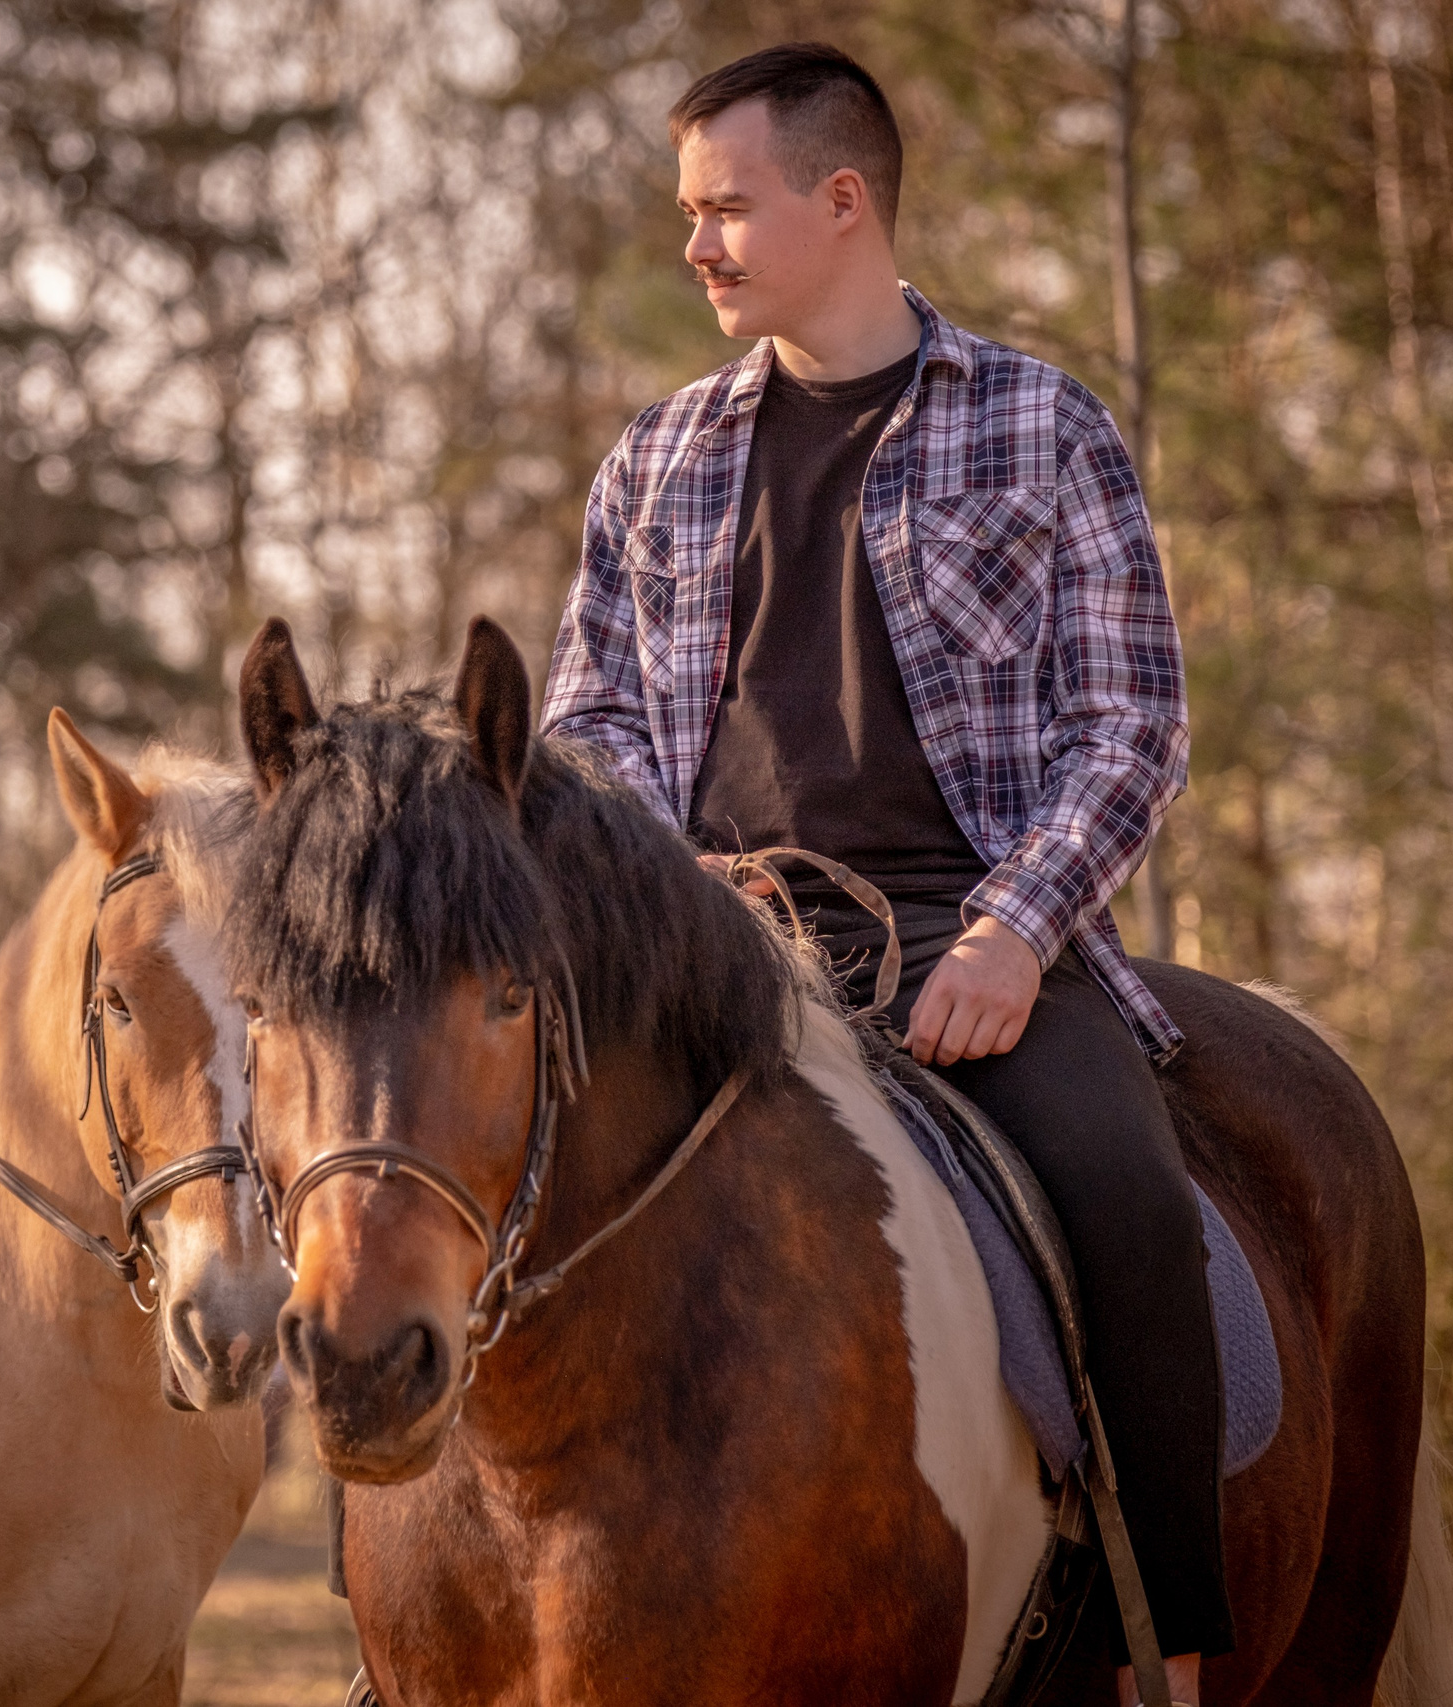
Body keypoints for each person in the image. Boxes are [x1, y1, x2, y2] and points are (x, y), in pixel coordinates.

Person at [537, 43, 1215, 1705]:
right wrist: (674, 899)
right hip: (712, 945)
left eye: (723, 210)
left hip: (967, 945)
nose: (694, 245)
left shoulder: (1042, 422)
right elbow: (586, 715)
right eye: (686, 213)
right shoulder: (660, 454)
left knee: (1131, 1208)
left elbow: (1133, 727)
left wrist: (1010, 934)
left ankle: (1165, 1650)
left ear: (842, 202)